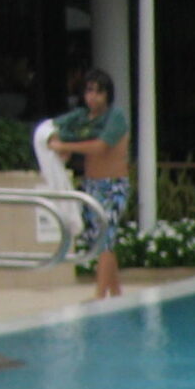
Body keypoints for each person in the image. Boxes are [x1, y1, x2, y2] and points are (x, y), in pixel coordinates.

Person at [48, 67, 133, 300]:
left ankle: (99, 295)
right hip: (91, 186)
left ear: (107, 94)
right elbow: (55, 127)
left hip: (113, 186)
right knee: (100, 240)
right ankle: (116, 293)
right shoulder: (82, 117)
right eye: (89, 91)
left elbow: (101, 147)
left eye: (98, 92)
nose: (92, 97)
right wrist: (56, 140)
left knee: (105, 238)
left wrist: (65, 146)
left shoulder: (115, 117)